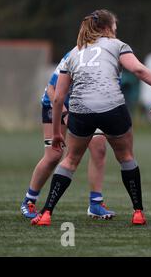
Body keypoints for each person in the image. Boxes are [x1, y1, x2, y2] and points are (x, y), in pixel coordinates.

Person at [31, 9, 151, 226]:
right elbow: (138, 70)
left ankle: (46, 213)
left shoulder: (73, 53)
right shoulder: (117, 45)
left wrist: (56, 133)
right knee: (126, 157)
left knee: (70, 160)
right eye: (115, 29)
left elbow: (59, 97)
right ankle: (138, 212)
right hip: (112, 107)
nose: (115, 33)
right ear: (106, 28)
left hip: (81, 111)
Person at [21, 56, 115, 220]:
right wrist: (65, 114)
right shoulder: (75, 55)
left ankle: (96, 203)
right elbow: (51, 90)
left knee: (99, 147)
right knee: (54, 155)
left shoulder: (112, 56)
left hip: (86, 107)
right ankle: (29, 200)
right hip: (56, 103)